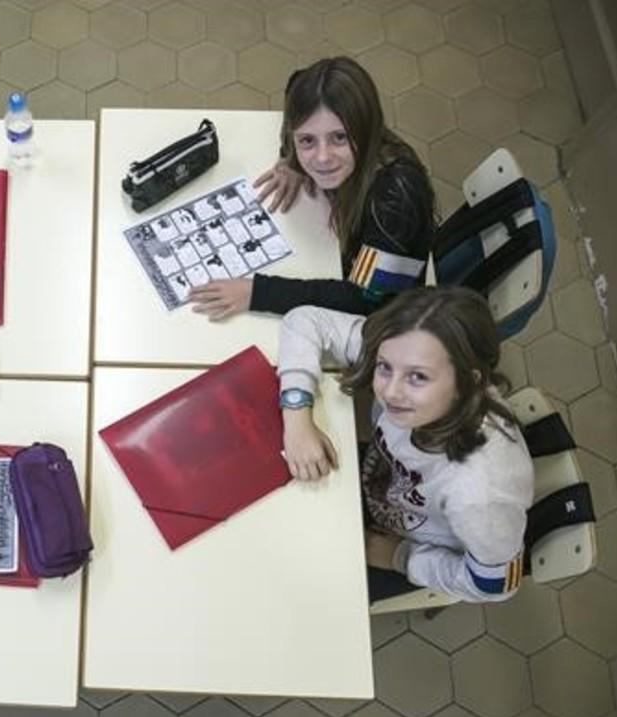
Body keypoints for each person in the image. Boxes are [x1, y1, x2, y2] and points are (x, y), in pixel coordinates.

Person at [275, 286, 533, 603]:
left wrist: (401, 557)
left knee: (294, 592)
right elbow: (305, 320)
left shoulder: (480, 495)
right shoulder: (407, 350)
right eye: (384, 367)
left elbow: (495, 585)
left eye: (418, 378)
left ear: (469, 381)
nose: (390, 392)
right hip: (378, 487)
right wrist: (297, 415)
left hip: (407, 543)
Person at [189, 57, 436, 321]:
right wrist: (293, 162)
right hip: (341, 246)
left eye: (339, 137)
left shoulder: (396, 194)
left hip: (386, 304)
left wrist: (258, 292)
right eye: (307, 140)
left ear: (366, 125)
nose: (321, 158)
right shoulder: (316, 134)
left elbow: (365, 299)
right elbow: (295, 83)